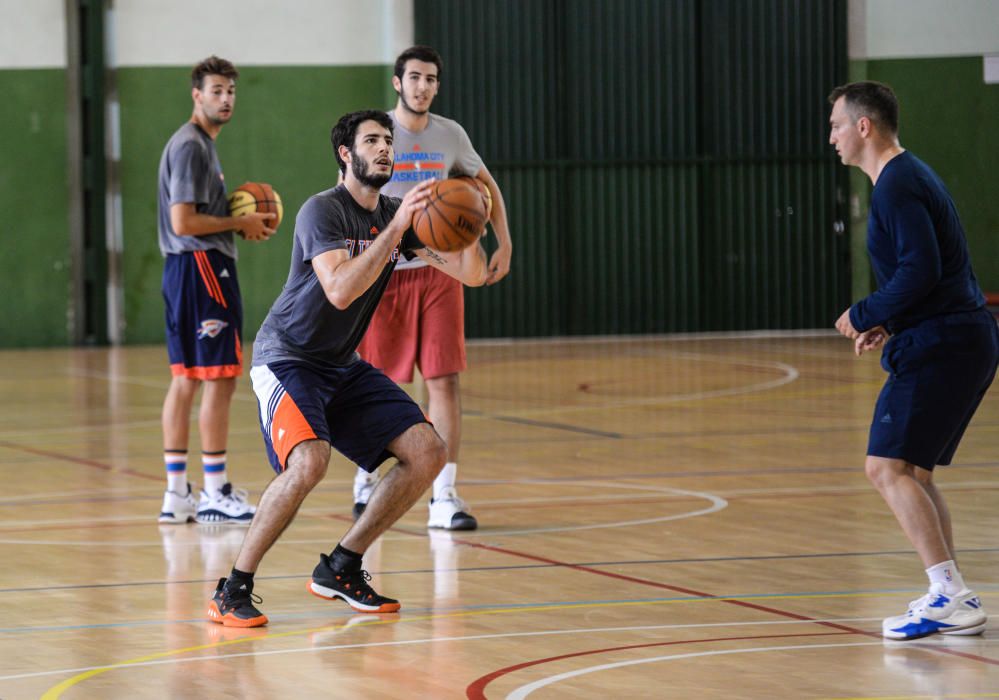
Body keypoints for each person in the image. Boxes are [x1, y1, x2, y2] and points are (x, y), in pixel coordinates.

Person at [206, 109, 488, 627]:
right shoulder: (323, 211)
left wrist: (470, 221)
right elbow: (339, 290)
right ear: (346, 153)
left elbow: (472, 275)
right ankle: (233, 587)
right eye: (374, 141)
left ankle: (342, 566)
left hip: (341, 364)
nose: (386, 149)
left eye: (389, 141)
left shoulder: (398, 214)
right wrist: (397, 228)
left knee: (427, 451)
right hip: (287, 358)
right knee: (309, 461)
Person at [829, 81, 998, 640]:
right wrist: (890, 320)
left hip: (943, 345)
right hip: (958, 337)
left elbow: (920, 272)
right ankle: (951, 594)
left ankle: (948, 592)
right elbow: (932, 273)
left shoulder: (897, 186)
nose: (830, 137)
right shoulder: (909, 177)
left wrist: (865, 310)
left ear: (863, 127)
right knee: (914, 473)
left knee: (886, 468)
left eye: (835, 125)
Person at [352, 45, 513, 531]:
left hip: (439, 272)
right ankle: (366, 476)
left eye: (431, 79)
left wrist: (504, 240)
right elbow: (354, 194)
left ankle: (444, 494)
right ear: (398, 82)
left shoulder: (451, 135)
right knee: (380, 383)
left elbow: (486, 186)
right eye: (415, 78)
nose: (423, 86)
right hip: (386, 272)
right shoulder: (377, 132)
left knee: (444, 381)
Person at [156, 56, 276, 525]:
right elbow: (182, 221)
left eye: (231, 91)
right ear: (197, 94)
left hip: (183, 270)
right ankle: (213, 490)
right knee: (220, 377)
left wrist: (232, 219)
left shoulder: (196, 144)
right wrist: (238, 220)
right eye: (217, 91)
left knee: (185, 378)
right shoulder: (191, 146)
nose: (225, 99)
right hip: (203, 268)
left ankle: (176, 494)